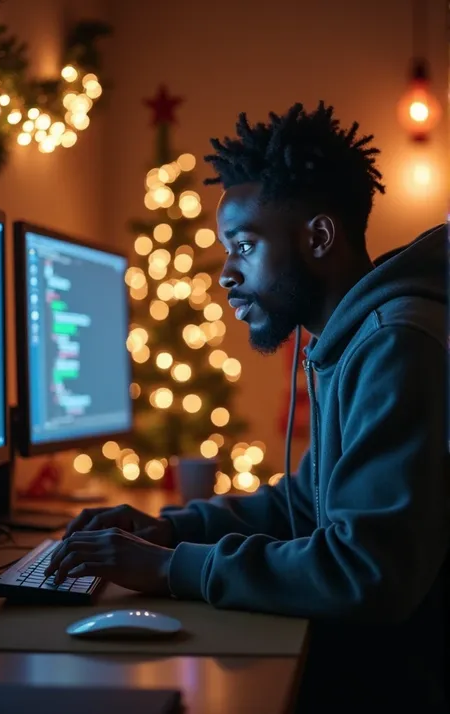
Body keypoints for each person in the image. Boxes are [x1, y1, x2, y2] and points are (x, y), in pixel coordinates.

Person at [46, 102, 448, 713]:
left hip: (400, 682)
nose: (226, 274)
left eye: (244, 245)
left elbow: (368, 570)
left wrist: (172, 569)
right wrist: (173, 529)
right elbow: (307, 502)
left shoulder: (395, 342)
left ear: (319, 236)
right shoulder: (352, 340)